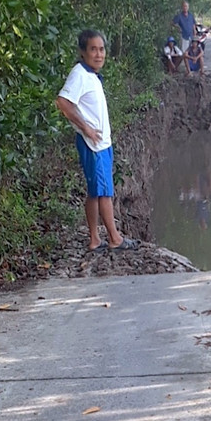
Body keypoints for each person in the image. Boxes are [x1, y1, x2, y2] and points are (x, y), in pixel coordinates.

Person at [55, 29, 138, 253]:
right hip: (94, 146)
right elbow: (63, 102)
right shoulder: (80, 74)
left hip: (101, 144)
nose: (99, 54)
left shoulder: (90, 74)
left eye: (102, 50)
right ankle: (114, 238)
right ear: (83, 52)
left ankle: (94, 239)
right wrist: (86, 128)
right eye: (93, 49)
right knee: (104, 192)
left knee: (95, 191)